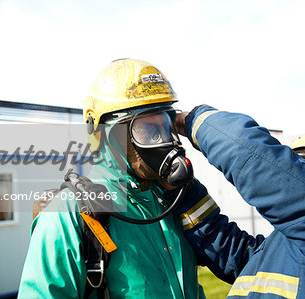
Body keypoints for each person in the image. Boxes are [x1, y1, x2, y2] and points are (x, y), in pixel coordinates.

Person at [18, 59, 205, 298]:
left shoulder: (171, 200)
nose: (162, 141)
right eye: (146, 130)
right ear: (105, 135)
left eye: (165, 126)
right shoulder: (70, 214)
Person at [173, 105, 305, 298]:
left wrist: (193, 120)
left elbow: (252, 155)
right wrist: (182, 192)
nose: (299, 177)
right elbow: (242, 258)